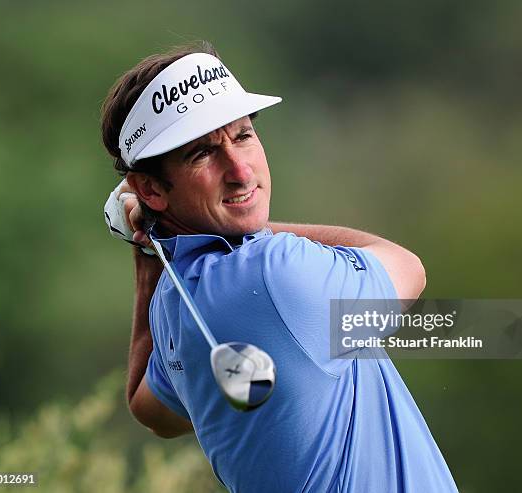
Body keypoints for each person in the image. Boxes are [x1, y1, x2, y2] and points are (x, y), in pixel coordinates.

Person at [101, 41, 458, 492]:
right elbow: (408, 268)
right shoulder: (275, 270)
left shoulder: (174, 304)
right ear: (150, 189)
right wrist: (251, 228)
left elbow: (150, 411)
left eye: (243, 135)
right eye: (203, 153)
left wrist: (151, 251)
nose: (240, 170)